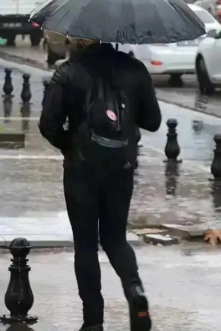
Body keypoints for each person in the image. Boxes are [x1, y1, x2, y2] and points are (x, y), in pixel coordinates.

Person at [39, 39, 162, 331]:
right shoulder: (134, 69)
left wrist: (69, 144)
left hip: (81, 169)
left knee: (85, 245)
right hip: (121, 166)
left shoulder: (68, 72)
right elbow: (153, 121)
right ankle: (135, 290)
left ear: (79, 37)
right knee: (115, 238)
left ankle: (93, 321)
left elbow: (48, 124)